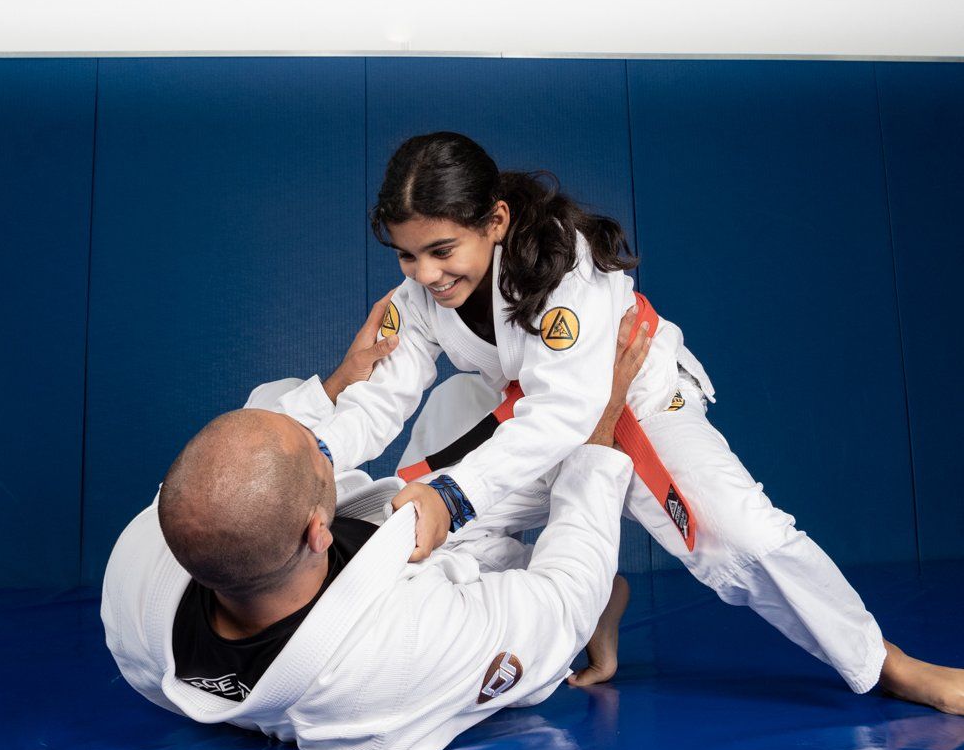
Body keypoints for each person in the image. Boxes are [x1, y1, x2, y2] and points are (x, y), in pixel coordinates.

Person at [277, 131, 963, 712]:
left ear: (496, 220)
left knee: (744, 539)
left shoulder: (561, 264)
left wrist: (454, 494)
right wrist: (312, 462)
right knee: (425, 533)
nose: (426, 273)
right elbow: (382, 398)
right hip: (530, 419)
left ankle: (885, 661)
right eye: (407, 254)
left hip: (633, 402)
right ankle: (594, 592)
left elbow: (569, 409)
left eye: (442, 249)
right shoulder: (417, 298)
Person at [100, 304, 652, 750]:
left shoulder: (145, 560)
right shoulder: (407, 650)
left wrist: (338, 383)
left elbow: (248, 454)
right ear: (317, 531)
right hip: (448, 621)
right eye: (322, 455)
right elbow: (564, 598)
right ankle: (603, 601)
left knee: (458, 404)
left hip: (389, 543)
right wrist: (600, 421)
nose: (329, 446)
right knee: (568, 554)